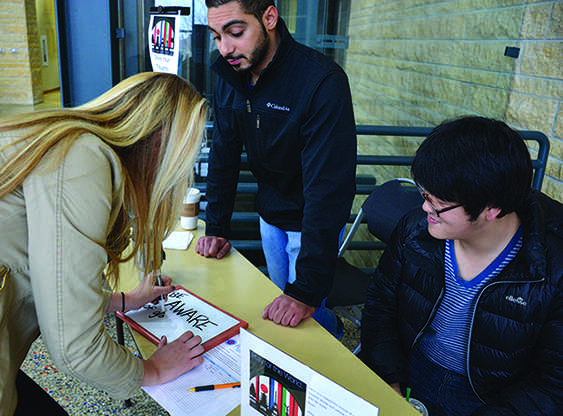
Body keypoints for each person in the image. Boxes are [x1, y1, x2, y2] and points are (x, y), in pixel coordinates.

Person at [0, 72, 209, 415]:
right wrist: (152, 369)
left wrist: (124, 300)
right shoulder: (82, 158)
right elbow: (74, 346)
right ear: (160, 141)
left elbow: (48, 276)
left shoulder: (70, 139)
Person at [359, 116, 563, 415]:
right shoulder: (415, 229)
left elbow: (552, 383)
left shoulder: (552, 270)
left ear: (492, 208)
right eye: (423, 193)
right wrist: (388, 377)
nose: (426, 207)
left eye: (438, 203)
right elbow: (380, 306)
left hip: (491, 400)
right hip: (410, 371)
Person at [196, 0, 357, 338]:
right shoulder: (231, 73)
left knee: (307, 312)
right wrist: (216, 228)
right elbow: (223, 154)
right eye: (216, 36)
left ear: (269, 17)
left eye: (235, 32)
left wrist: (307, 288)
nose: (225, 49)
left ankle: (333, 344)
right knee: (278, 302)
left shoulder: (321, 81)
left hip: (311, 220)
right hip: (269, 214)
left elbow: (328, 187)